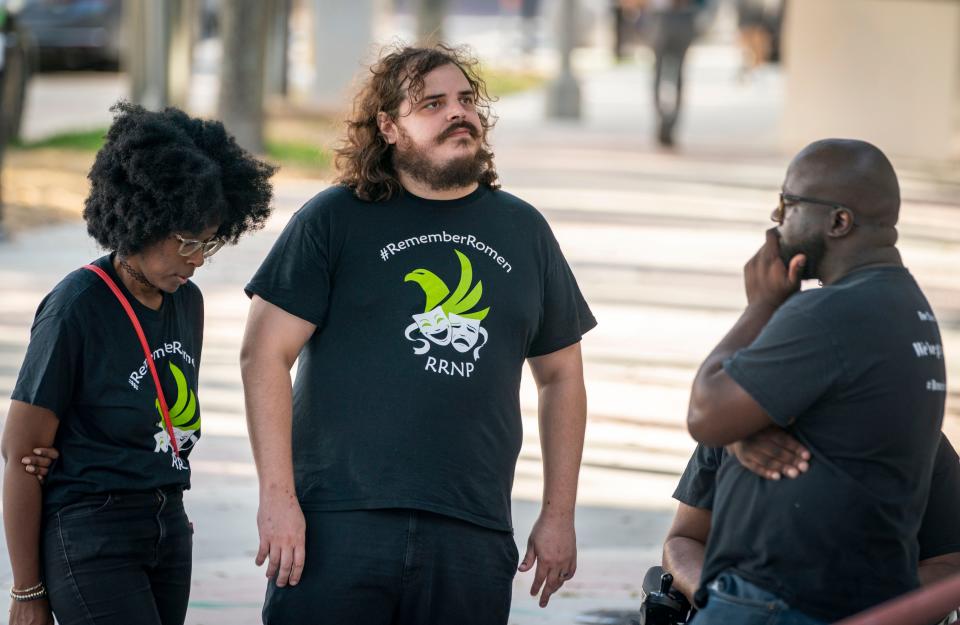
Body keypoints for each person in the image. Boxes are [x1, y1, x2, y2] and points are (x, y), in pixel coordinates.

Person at [240, 44, 596, 625]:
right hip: (337, 522)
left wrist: (559, 514)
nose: (458, 113)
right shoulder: (333, 219)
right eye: (432, 103)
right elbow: (264, 355)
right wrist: (277, 500)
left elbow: (561, 377)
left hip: (472, 530)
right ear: (388, 127)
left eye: (465, 100)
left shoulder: (524, 230)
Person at [1, 102, 275, 625]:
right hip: (92, 529)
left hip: (167, 523)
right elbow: (19, 454)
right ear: (139, 221)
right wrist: (27, 590)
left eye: (209, 242)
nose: (197, 258)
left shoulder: (185, 302)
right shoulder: (77, 305)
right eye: (187, 242)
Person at [685, 138, 946, 623]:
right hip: (837, 597)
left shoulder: (831, 312)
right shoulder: (902, 305)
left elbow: (706, 414)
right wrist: (743, 437)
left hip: (779, 602)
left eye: (788, 203)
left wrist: (760, 306)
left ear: (838, 222)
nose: (775, 217)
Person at [662, 430, 960, 623]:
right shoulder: (736, 430)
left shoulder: (920, 443)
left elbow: (949, 567)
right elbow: (683, 540)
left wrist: (870, 606)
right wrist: (719, 598)